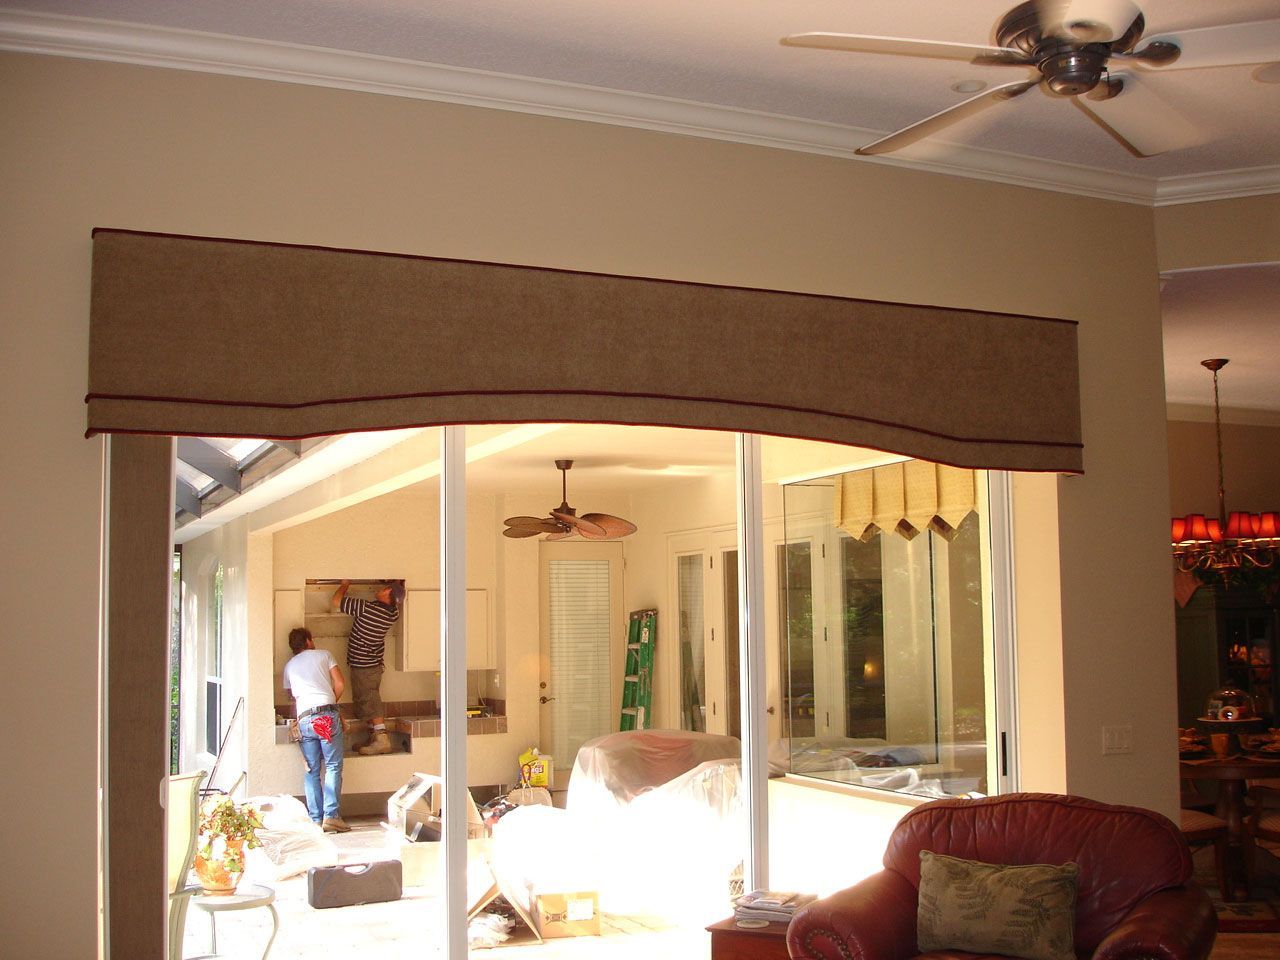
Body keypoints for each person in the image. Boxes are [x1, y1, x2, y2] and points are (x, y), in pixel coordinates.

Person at [282, 626, 349, 833]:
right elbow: (340, 683)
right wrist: (329, 703)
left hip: (304, 719)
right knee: (332, 765)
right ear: (309, 641)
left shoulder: (289, 666)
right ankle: (332, 817)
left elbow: (291, 696)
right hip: (325, 717)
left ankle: (316, 819)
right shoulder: (324, 655)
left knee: (311, 769)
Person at [332, 578, 403, 755]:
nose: (380, 589)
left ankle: (382, 740)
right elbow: (395, 598)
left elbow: (336, 601)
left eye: (385, 588)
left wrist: (345, 584)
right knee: (366, 701)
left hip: (364, 666)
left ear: (389, 593)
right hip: (372, 665)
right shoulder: (393, 613)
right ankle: (374, 738)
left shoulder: (368, 609)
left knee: (370, 699)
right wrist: (397, 583)